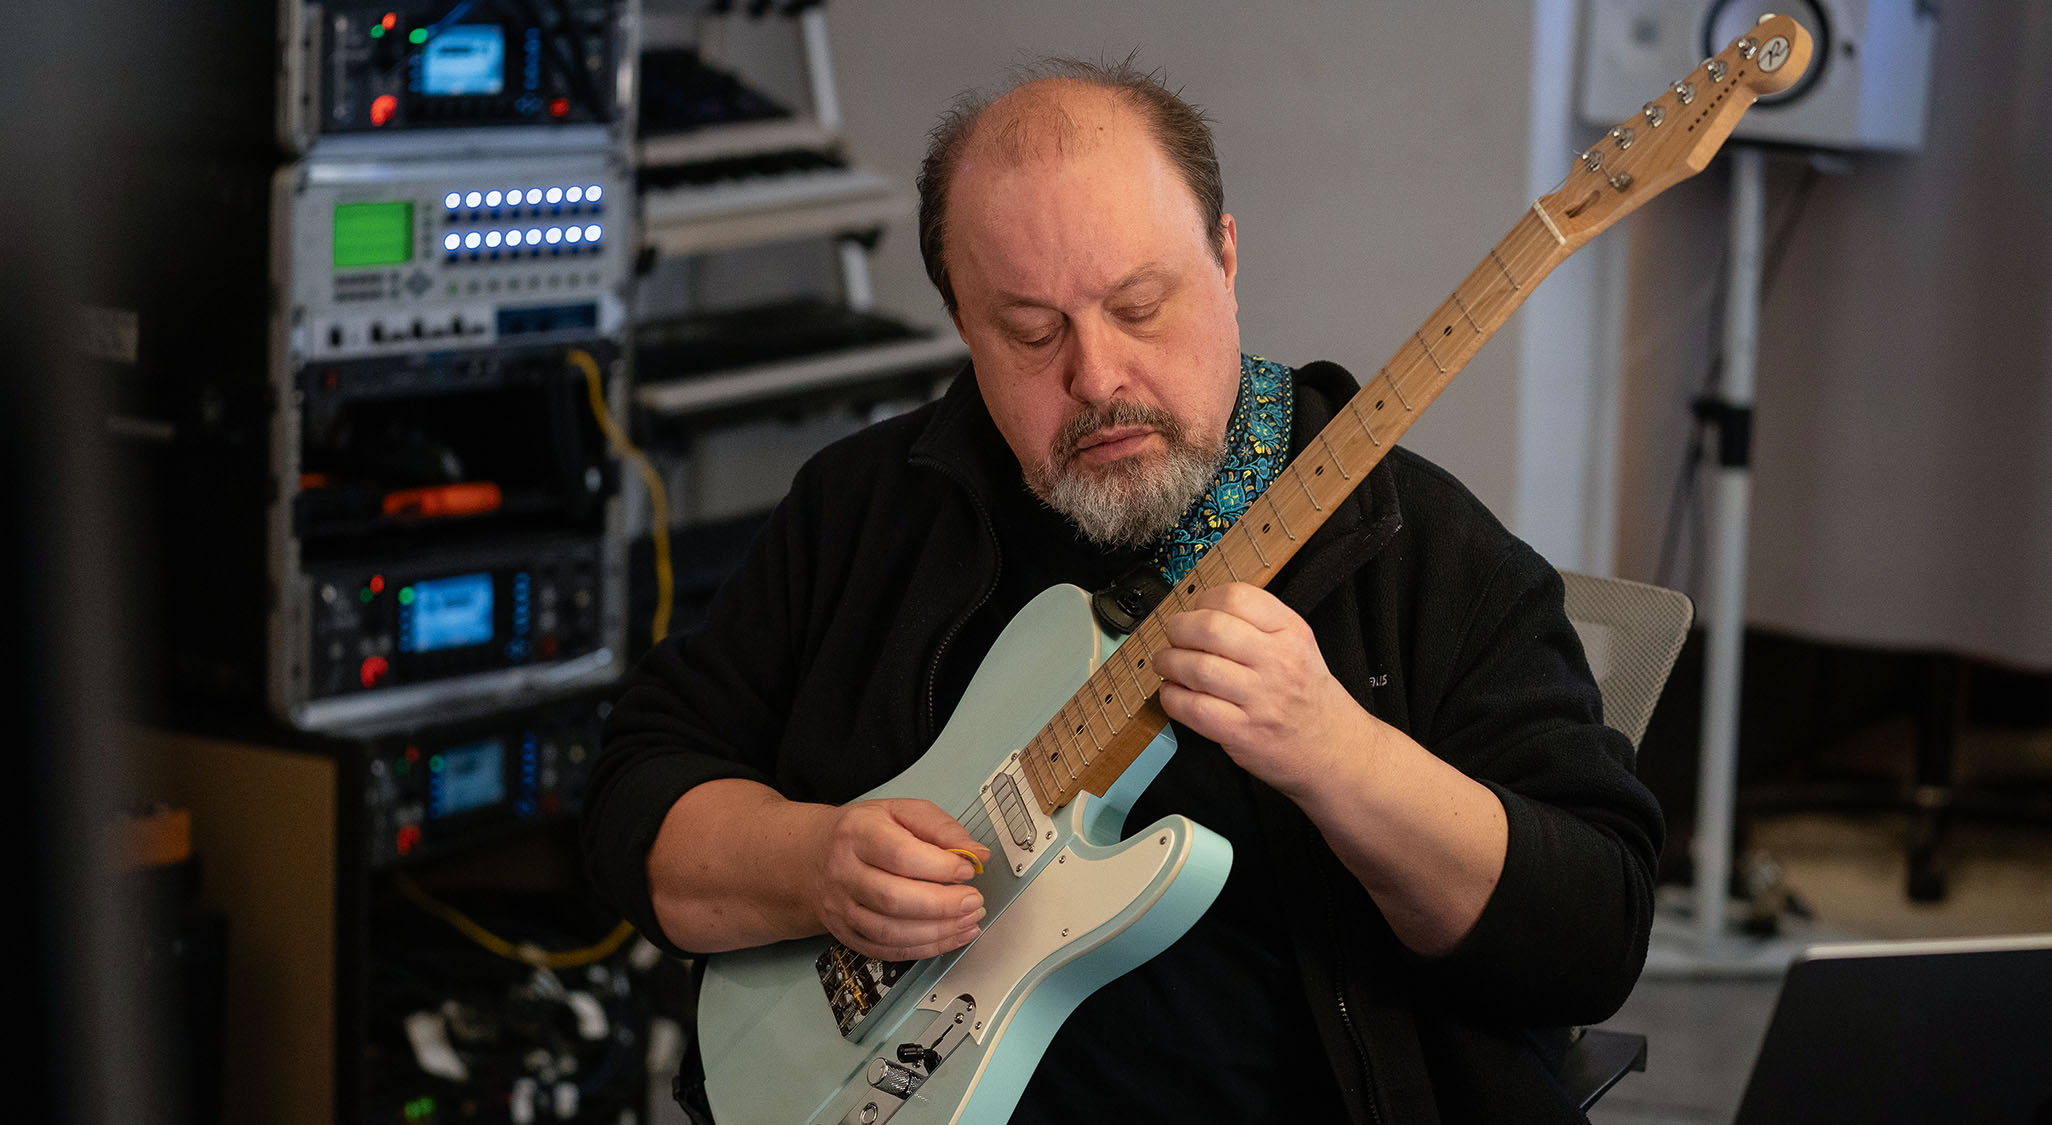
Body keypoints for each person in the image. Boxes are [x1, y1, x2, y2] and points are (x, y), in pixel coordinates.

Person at [581, 56, 1663, 1124]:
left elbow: (1589, 939)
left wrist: (1341, 751)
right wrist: (809, 867)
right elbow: (640, 790)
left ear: (1227, 260)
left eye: (1140, 307)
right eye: (1032, 332)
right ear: (964, 322)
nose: (1095, 378)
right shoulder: (866, 505)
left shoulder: (1412, 545)